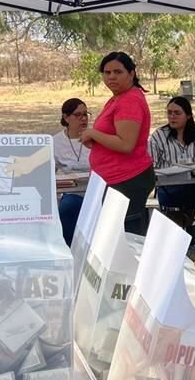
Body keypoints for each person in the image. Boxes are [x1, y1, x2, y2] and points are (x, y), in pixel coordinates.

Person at [81, 51, 155, 236]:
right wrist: (98, 142)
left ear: (131, 73)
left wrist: (93, 134)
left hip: (126, 180)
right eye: (107, 72)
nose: (111, 77)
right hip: (114, 178)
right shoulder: (119, 98)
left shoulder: (129, 100)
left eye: (118, 72)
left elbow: (126, 144)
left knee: (124, 240)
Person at [149, 96, 195, 230]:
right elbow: (153, 167)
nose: (172, 117)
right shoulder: (158, 136)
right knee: (174, 215)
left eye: (177, 113)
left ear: (188, 115)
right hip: (169, 189)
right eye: (169, 113)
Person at [53, 98, 92, 245]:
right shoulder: (56, 142)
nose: (83, 119)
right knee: (68, 207)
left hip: (95, 191)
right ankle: (68, 249)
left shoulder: (95, 136)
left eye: (86, 114)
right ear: (66, 117)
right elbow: (49, 174)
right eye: (78, 115)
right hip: (72, 192)